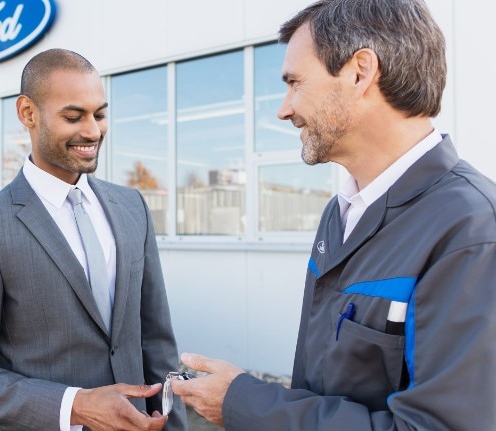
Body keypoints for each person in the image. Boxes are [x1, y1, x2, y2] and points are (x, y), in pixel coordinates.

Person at [171, 0, 496, 429]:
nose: (284, 109)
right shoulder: (340, 213)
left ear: (360, 72)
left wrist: (246, 403)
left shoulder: (471, 229)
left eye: (295, 83)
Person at [0, 48, 187, 431]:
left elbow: (157, 340)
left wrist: (173, 424)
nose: (92, 131)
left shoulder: (132, 205)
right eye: (73, 116)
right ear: (28, 113)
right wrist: (75, 405)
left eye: (100, 114)